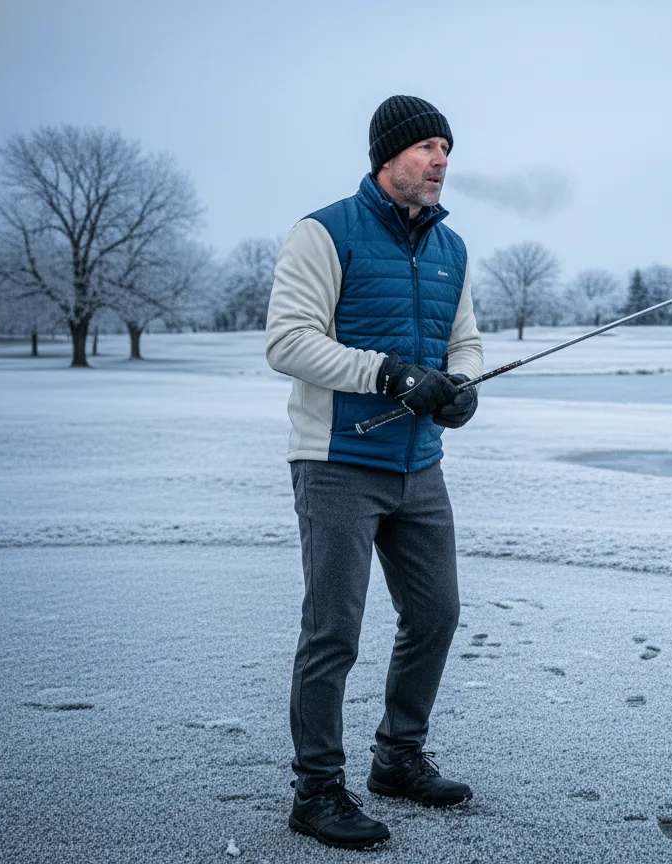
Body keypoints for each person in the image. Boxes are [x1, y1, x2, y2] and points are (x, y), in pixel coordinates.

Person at [265, 94, 483, 851]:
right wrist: (389, 374)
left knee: (436, 614)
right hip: (336, 462)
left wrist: (461, 388)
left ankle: (397, 757)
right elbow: (288, 343)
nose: (441, 160)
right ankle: (317, 791)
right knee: (334, 631)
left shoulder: (452, 248)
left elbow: (467, 341)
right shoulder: (323, 232)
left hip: (420, 465)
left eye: (447, 148)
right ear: (386, 156)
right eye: (426, 146)